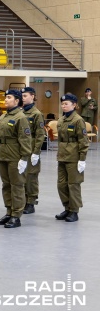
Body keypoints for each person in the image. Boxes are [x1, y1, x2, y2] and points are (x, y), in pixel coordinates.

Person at [0, 90, 31, 229]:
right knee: (6, 185)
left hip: (15, 156)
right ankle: (9, 212)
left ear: (17, 101)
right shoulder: (3, 117)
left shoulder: (21, 118)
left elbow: (25, 139)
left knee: (17, 186)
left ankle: (16, 215)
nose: (6, 100)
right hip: (3, 155)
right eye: (6, 97)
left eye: (9, 97)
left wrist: (24, 158)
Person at [55, 93, 89, 222]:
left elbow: (83, 141)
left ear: (74, 105)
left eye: (66, 104)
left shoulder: (78, 120)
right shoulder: (61, 120)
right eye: (62, 104)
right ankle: (67, 207)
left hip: (74, 157)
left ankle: (74, 211)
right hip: (62, 156)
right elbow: (60, 141)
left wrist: (82, 159)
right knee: (61, 185)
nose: (63, 106)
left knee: (73, 185)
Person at [21, 87, 45, 214]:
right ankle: (23, 200)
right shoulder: (20, 113)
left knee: (31, 178)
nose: (23, 98)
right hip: (21, 150)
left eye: (25, 96)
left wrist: (36, 152)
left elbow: (40, 135)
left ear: (32, 96)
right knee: (21, 176)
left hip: (31, 150)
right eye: (22, 96)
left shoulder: (36, 114)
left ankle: (31, 202)